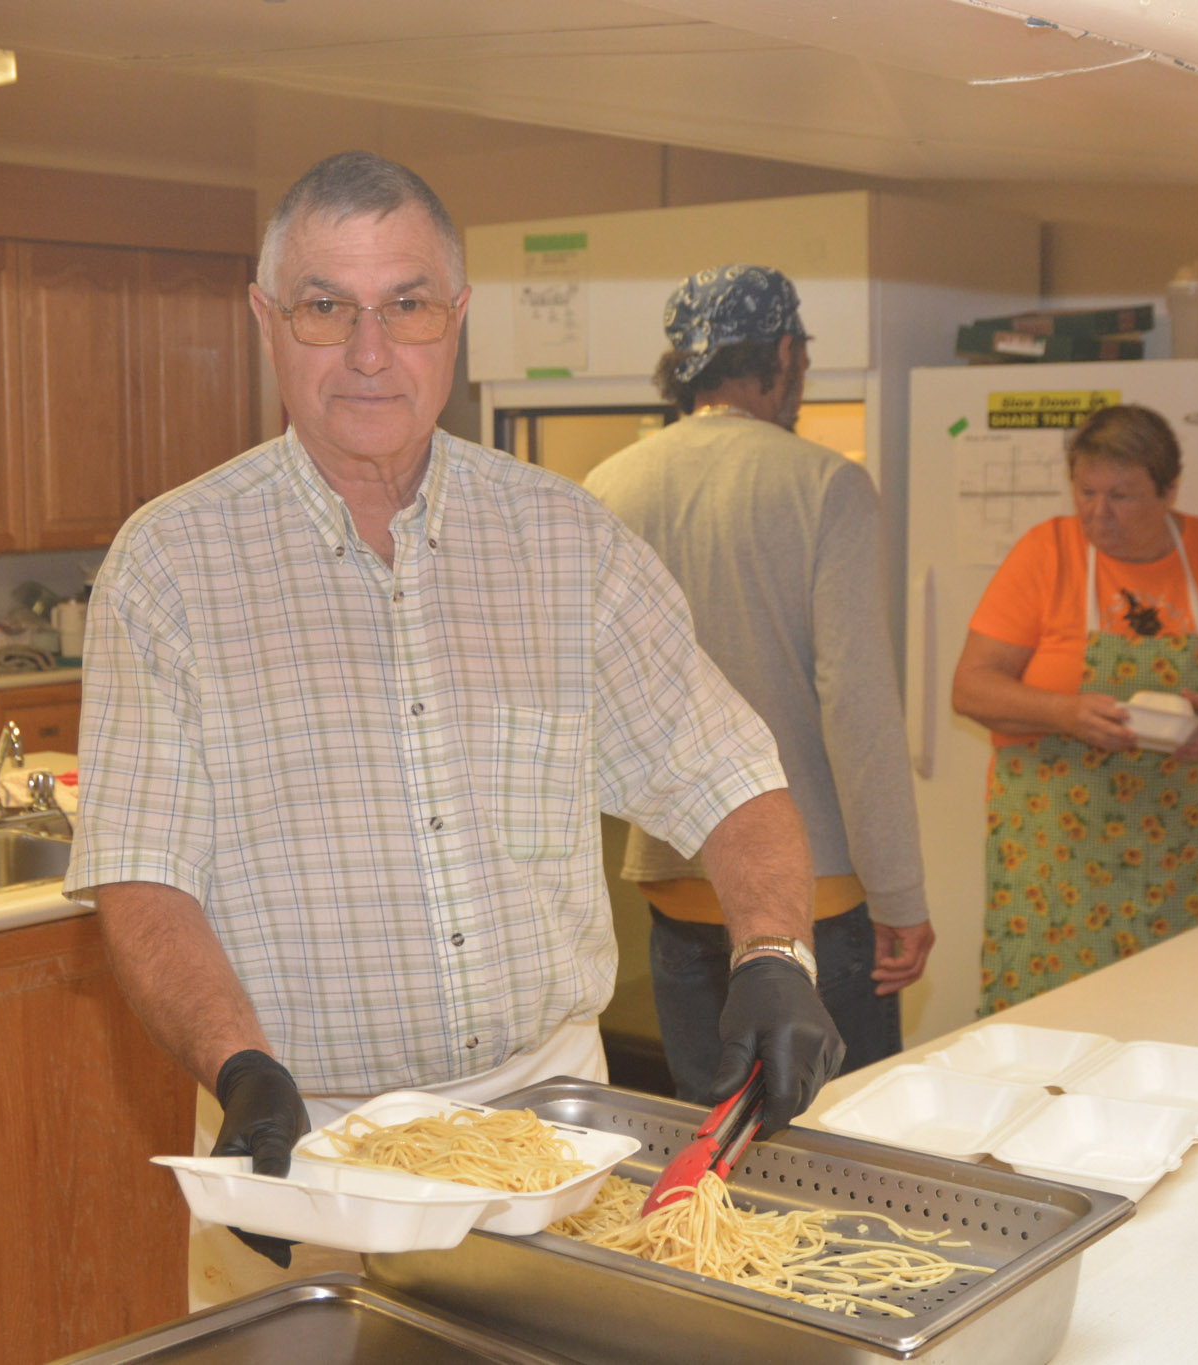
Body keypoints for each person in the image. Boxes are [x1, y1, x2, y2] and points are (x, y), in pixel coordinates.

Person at [64, 152, 844, 1304]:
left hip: (550, 1144)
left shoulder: (566, 545)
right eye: (325, 307)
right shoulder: (170, 567)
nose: (368, 352)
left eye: (407, 305)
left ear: (456, 321)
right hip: (306, 1144)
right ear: (265, 321)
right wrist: (241, 1071)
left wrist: (775, 953)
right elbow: (141, 875)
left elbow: (725, 773)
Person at [583, 265, 935, 1103]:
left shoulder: (606, 487)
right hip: (811, 897)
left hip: (675, 885)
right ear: (782, 354)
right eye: (802, 362)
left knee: (717, 1157)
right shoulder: (825, 485)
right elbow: (856, 704)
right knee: (840, 1155)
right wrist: (899, 894)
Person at [950, 403, 1198, 1012]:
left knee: (1169, 1018)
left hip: (1177, 859)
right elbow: (971, 688)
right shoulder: (1047, 553)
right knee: (1044, 1027)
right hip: (1052, 863)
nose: (1097, 513)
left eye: (1122, 495)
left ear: (1169, 490)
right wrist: (1066, 714)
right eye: (1086, 492)